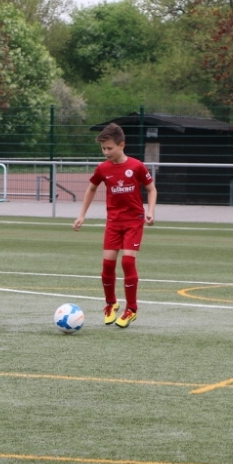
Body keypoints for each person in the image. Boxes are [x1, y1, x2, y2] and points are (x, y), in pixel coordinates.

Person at [73, 123, 157, 329]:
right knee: (107, 266)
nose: (106, 152)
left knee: (127, 262)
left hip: (133, 221)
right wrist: (82, 215)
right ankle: (111, 304)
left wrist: (150, 211)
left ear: (121, 145)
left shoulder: (136, 166)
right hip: (113, 222)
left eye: (109, 148)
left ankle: (132, 309)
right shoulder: (103, 168)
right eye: (103, 148)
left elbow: (151, 189)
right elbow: (91, 189)